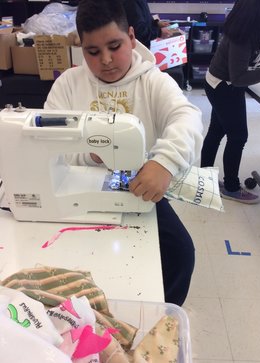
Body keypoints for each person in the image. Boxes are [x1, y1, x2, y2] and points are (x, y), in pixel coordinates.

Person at [44, 0, 203, 305]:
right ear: (82, 49)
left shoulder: (153, 82)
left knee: (181, 252)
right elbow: (48, 140)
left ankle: (159, 314)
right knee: (71, 256)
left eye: (114, 46)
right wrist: (85, 154)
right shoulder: (68, 84)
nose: (105, 60)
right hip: (78, 188)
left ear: (131, 37)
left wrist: (164, 162)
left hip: (136, 188)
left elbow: (189, 117)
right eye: (93, 52)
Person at [201, 0, 260, 204]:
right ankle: (231, 187)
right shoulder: (243, 37)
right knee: (238, 136)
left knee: (217, 130)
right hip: (223, 86)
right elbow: (239, 77)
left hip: (227, 84)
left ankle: (204, 177)